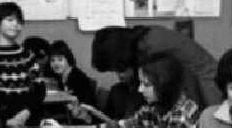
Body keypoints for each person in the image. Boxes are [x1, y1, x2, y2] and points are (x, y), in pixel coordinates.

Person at [42, 52, 199, 128]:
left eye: (146, 85)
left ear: (165, 85)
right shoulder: (153, 109)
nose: (140, 90)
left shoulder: (183, 114)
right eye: (140, 83)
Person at [92, 25, 223, 111]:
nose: (118, 74)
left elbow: (206, 73)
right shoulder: (141, 41)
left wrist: (214, 116)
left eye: (115, 68)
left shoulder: (151, 44)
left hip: (206, 81)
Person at [48, 39, 97, 115]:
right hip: (70, 113)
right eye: (52, 60)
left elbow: (83, 104)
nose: (56, 63)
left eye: (60, 59)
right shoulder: (62, 75)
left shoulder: (78, 77)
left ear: (68, 59)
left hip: (84, 117)